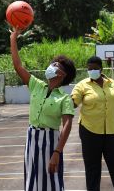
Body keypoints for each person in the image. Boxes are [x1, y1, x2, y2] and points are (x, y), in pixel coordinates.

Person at [10, 28, 76, 191]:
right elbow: (18, 66)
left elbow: (67, 126)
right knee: (32, 181)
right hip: (32, 137)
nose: (51, 66)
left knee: (51, 181)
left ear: (62, 74)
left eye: (55, 65)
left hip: (50, 141)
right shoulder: (36, 85)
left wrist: (57, 152)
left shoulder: (64, 98)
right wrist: (13, 39)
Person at [71, 56, 114, 191]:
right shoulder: (82, 85)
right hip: (89, 131)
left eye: (94, 68)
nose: (92, 71)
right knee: (92, 168)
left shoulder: (113, 84)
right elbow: (73, 102)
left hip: (111, 132)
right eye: (89, 69)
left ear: (101, 69)